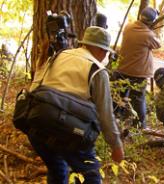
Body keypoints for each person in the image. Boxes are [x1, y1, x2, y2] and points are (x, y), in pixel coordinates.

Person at [29, 26, 124, 183]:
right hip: (68, 132)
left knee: (57, 170)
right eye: (106, 52)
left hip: (37, 125)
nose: (105, 56)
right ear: (101, 50)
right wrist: (116, 146)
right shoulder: (97, 71)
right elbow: (105, 114)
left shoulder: (60, 55)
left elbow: (34, 87)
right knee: (92, 176)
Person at [111, 7, 161, 129]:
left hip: (122, 69)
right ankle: (140, 125)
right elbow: (158, 44)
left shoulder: (128, 27)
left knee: (119, 98)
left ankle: (114, 120)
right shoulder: (148, 34)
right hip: (139, 74)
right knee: (138, 100)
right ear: (151, 22)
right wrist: (153, 29)